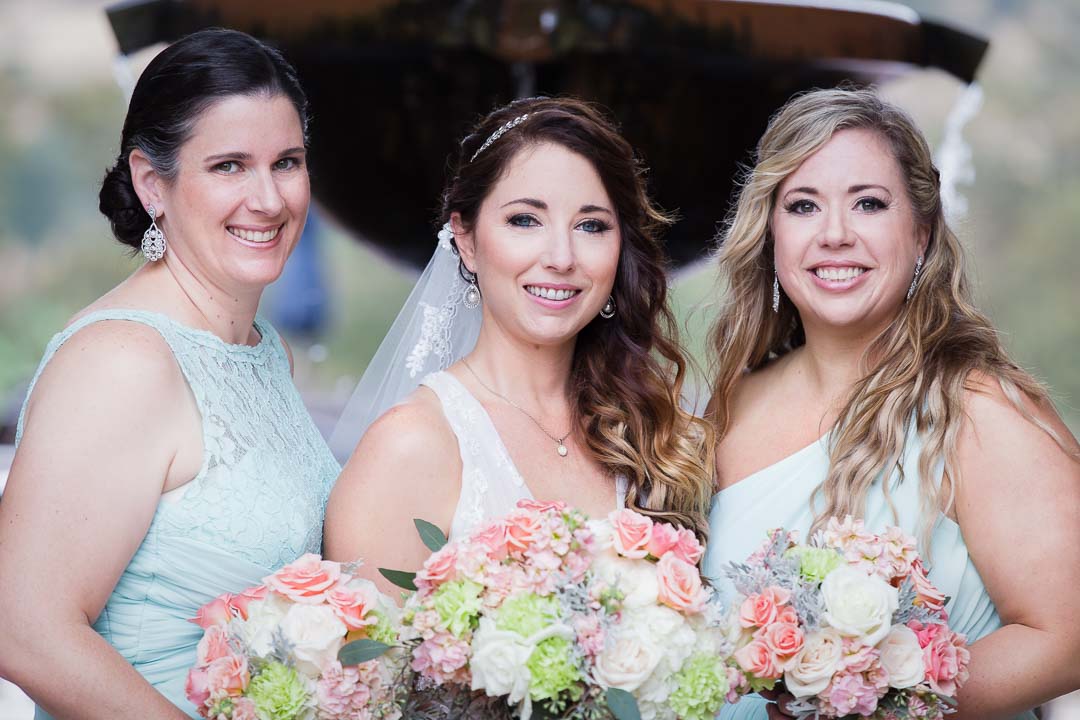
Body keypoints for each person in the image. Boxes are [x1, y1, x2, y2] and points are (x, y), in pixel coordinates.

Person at [701, 87, 1080, 719]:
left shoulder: (977, 411)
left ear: (921, 234)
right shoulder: (730, 404)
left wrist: (874, 703)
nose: (835, 235)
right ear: (770, 234)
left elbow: (1068, 638)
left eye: (869, 204)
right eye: (802, 206)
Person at [0, 29, 340, 719]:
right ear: (153, 183)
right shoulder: (122, 361)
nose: (269, 199)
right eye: (229, 166)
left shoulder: (266, 350)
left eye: (287, 162)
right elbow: (23, 628)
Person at [324, 97, 713, 596]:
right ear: (465, 238)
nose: (561, 257)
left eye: (591, 225)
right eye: (525, 220)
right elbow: (371, 670)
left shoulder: (652, 429)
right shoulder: (411, 445)